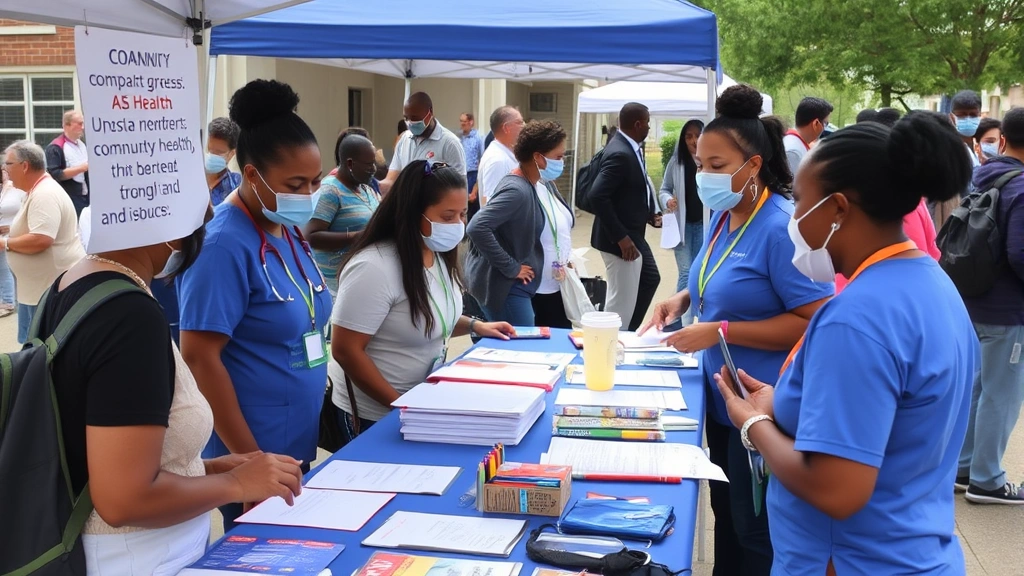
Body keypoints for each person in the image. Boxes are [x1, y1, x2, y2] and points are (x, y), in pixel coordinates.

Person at [713, 112, 977, 574]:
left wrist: (752, 424)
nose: (793, 217)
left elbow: (837, 490)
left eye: (799, 201)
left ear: (837, 208)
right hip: (915, 551)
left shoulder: (856, 318)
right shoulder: (931, 283)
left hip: (850, 560)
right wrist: (782, 402)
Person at [31, 204, 303, 574]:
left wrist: (201, 470)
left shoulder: (70, 282)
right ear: (172, 228)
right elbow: (123, 500)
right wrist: (235, 483)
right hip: (137, 556)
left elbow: (99, 451)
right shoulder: (129, 315)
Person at [640, 85, 833, 576]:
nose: (704, 175)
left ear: (753, 165)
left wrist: (719, 328)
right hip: (723, 399)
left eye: (717, 165)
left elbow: (813, 320)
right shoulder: (727, 216)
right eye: (699, 163)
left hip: (765, 404)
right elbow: (719, 280)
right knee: (725, 515)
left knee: (756, 531)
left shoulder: (780, 227)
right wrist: (683, 299)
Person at [178, 80, 331, 532]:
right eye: (295, 184)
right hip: (249, 453)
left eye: (315, 182)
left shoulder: (286, 229)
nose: (308, 195)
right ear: (251, 175)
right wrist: (250, 465)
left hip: (293, 443)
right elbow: (199, 357)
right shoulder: (223, 245)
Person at [331, 160, 514, 440]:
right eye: (447, 216)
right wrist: (400, 405)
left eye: (463, 214)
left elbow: (427, 317)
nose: (458, 225)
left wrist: (476, 326)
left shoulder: (436, 254)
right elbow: (346, 350)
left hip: (421, 403)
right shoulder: (373, 267)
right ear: (413, 213)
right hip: (376, 416)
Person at [957, 106, 1024, 504]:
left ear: (1001, 140)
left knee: (980, 389)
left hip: (977, 300)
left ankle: (966, 467)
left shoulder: (987, 175)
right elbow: (1020, 252)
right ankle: (988, 479)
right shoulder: (1022, 186)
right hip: (1008, 309)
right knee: (1003, 393)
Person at [465, 120, 565, 326]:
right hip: (506, 289)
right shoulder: (517, 190)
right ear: (538, 157)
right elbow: (477, 226)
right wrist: (511, 267)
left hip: (514, 287)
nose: (561, 162)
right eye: (558, 157)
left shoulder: (531, 184)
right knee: (521, 350)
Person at [2, 140, 85, 344]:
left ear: (25, 165)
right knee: (32, 349)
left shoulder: (44, 194)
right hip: (37, 290)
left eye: (8, 164)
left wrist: (5, 243)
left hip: (47, 291)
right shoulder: (37, 191)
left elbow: (41, 239)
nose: (5, 169)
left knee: (41, 351)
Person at [589, 102, 662, 332]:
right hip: (619, 239)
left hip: (632, 231)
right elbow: (597, 196)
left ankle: (628, 332)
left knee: (650, 278)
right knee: (620, 301)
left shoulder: (629, 147)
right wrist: (621, 237)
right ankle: (610, 340)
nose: (649, 127)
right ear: (638, 124)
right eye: (648, 123)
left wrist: (648, 213)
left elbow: (629, 190)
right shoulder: (620, 152)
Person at [304, 134, 381, 297]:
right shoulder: (330, 191)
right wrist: (357, 237)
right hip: (335, 288)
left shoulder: (366, 189)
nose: (374, 168)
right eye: (368, 164)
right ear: (350, 164)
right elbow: (311, 236)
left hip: (361, 280)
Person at [659, 119, 705, 327]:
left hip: (705, 225)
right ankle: (678, 322)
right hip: (682, 227)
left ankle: (695, 318)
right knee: (686, 273)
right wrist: (667, 200)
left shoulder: (711, 161)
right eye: (688, 136)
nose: (694, 140)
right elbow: (664, 188)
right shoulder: (677, 162)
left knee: (699, 274)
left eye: (697, 135)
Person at [380, 92, 466, 194]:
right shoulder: (404, 140)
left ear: (430, 113)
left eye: (415, 118)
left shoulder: (449, 143)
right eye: (406, 118)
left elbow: (460, 189)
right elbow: (391, 180)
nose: (410, 122)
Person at [45, 110, 89, 217]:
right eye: (79, 124)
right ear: (67, 125)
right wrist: (81, 168)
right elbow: (55, 174)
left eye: (83, 123)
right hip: (69, 197)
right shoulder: (56, 147)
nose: (82, 127)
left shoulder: (81, 144)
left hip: (85, 194)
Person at [478, 106, 525, 207]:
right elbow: (493, 206)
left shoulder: (505, 154)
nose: (524, 126)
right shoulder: (497, 160)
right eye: (519, 122)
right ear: (506, 128)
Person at [783, 97, 833, 175]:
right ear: (816, 123)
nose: (825, 128)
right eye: (825, 123)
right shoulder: (793, 152)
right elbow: (794, 186)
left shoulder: (796, 143)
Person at [0, 167, 25, 317]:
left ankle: (8, 301)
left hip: (13, 232)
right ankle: (8, 299)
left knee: (5, 268)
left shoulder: (18, 189)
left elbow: (25, 210)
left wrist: (12, 226)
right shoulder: (3, 189)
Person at [205, 117, 243, 206]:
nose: (212, 156)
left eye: (218, 152)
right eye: (210, 150)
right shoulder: (192, 177)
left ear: (232, 153)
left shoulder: (236, 186)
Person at [459, 112, 486, 220]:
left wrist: (476, 186)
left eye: (464, 122)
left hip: (473, 174)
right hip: (461, 174)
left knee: (473, 205)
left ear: (471, 122)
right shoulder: (459, 138)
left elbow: (482, 158)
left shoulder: (478, 138)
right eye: (461, 121)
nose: (462, 124)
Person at [950, 90, 983, 168]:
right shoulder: (947, 147)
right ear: (952, 117)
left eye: (973, 115)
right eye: (961, 115)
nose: (968, 118)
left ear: (980, 115)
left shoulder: (985, 142)